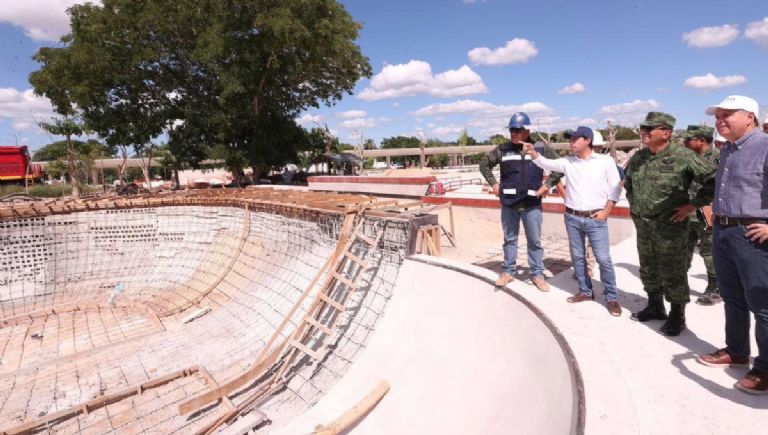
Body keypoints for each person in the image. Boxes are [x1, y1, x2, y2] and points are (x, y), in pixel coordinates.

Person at [696, 95, 768, 395]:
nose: (719, 121)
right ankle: (737, 351)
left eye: (727, 115)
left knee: (763, 305)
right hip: (724, 232)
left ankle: (765, 369)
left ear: (749, 117)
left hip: (752, 235)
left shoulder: (764, 146)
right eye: (717, 116)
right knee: (732, 297)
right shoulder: (727, 150)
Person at [624, 112, 717, 336]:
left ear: (666, 133)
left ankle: (677, 315)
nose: (644, 132)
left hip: (670, 227)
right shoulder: (639, 157)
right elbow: (629, 185)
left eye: (650, 128)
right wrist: (635, 208)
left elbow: (714, 180)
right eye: (643, 128)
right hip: (644, 226)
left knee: (673, 271)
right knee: (648, 268)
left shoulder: (683, 156)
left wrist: (692, 205)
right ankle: (655, 306)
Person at [523, 126, 623, 316]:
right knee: (577, 257)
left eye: (575, 139)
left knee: (603, 259)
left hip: (596, 219)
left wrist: (606, 211)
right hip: (572, 217)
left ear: (587, 140)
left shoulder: (605, 162)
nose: (571, 142)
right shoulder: (568, 162)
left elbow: (615, 188)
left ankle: (611, 297)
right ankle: (586, 291)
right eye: (570, 139)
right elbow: (545, 164)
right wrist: (533, 152)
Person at [479, 112, 563, 291]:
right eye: (511, 130)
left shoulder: (540, 148)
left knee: (534, 241)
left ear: (527, 131)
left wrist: (547, 185)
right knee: (510, 240)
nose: (513, 134)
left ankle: (537, 274)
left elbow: (561, 166)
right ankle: (508, 271)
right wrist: (493, 184)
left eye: (517, 130)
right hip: (509, 204)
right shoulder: (503, 149)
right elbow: (484, 165)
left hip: (532, 204)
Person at [680, 125, 720, 305]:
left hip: (708, 213)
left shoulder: (719, 158)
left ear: (701, 141)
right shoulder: (688, 158)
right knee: (683, 248)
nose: (684, 142)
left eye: (688, 139)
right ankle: (680, 282)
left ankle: (715, 288)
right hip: (687, 214)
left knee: (709, 251)